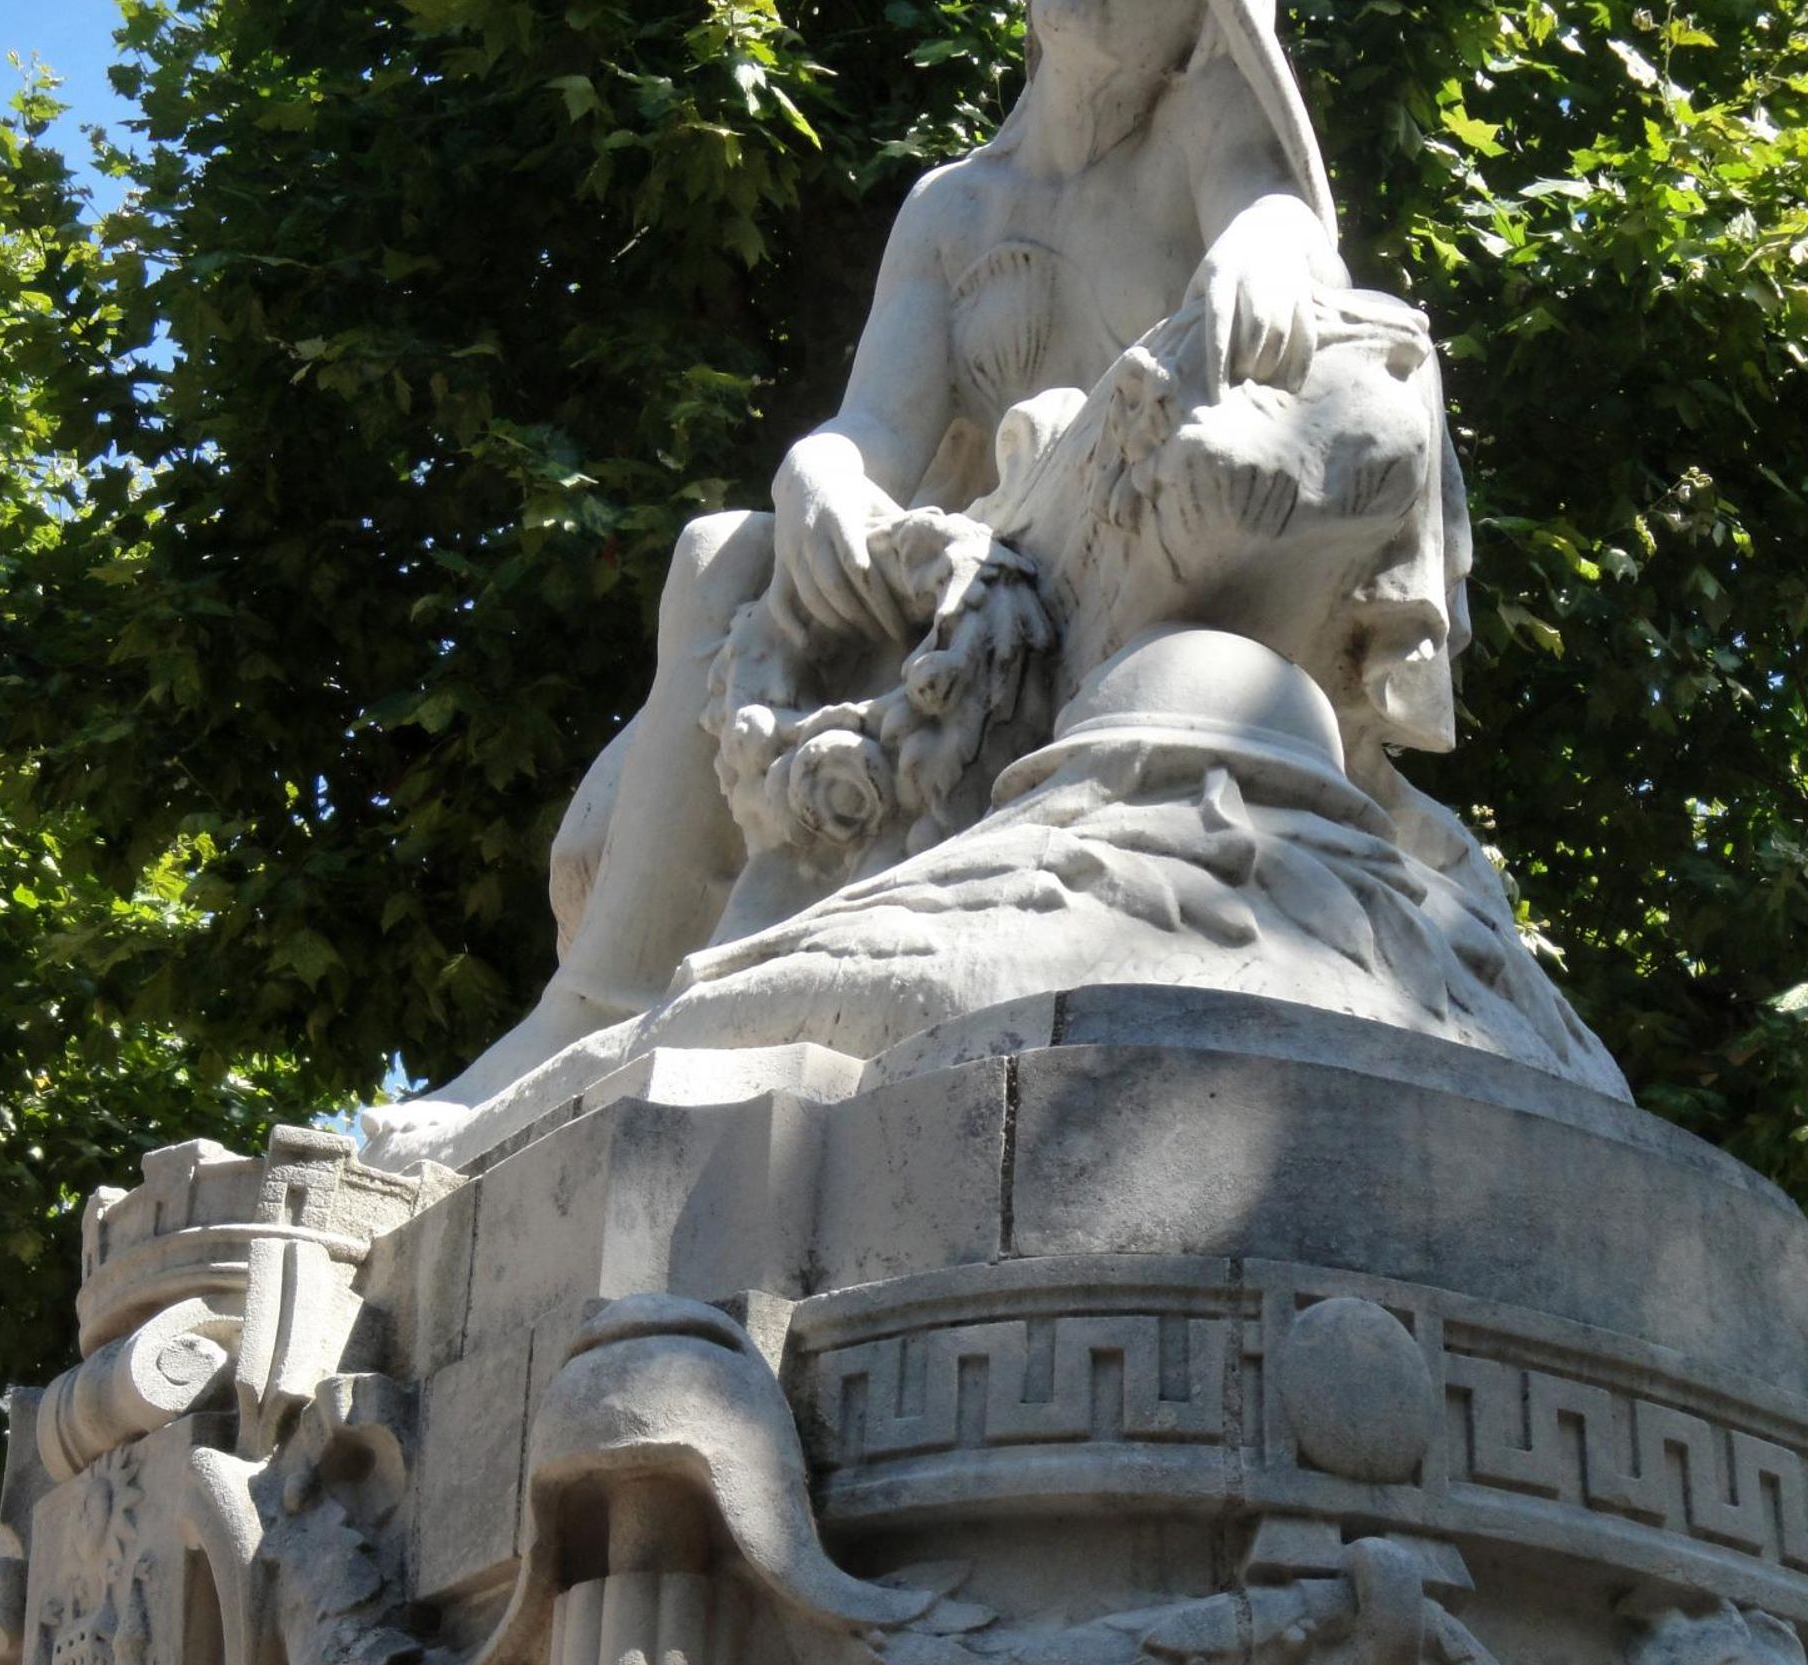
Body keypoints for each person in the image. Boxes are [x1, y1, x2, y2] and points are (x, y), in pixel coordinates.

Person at [362, 0, 1356, 1165]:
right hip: (952, 567)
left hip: (1102, 581)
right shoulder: (953, 207)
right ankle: (585, 1013)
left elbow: (1275, 208)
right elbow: (872, 428)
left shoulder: (1199, 134)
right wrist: (816, 476)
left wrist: (1266, 242)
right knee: (718, 549)